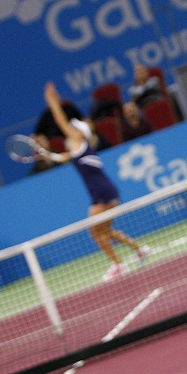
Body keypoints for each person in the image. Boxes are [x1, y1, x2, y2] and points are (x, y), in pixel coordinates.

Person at [43, 82, 151, 282]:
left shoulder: (78, 142)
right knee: (105, 231)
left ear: (80, 134)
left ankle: (118, 265)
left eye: (73, 128)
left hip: (101, 193)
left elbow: (59, 119)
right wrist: (54, 157)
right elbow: (66, 157)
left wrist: (52, 101)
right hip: (106, 191)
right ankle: (140, 249)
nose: (69, 129)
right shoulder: (81, 148)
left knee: (95, 232)